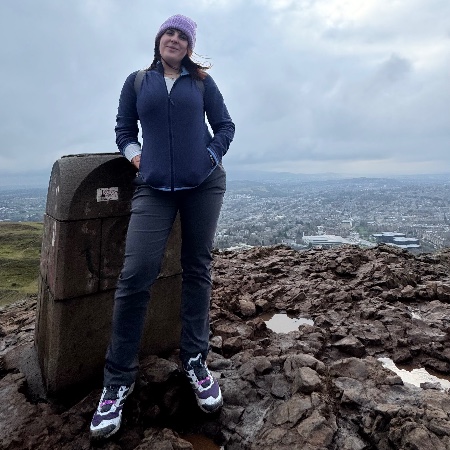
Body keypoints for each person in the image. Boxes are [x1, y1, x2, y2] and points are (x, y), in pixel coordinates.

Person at [90, 14, 235, 440]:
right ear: (158, 40)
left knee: (197, 267)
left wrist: (210, 158)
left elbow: (225, 126)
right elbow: (124, 129)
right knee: (136, 273)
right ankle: (118, 380)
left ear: (190, 46)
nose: (174, 39)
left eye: (182, 36)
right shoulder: (138, 82)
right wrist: (135, 155)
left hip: (203, 185)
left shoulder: (202, 83)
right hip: (154, 188)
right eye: (169, 33)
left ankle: (195, 360)